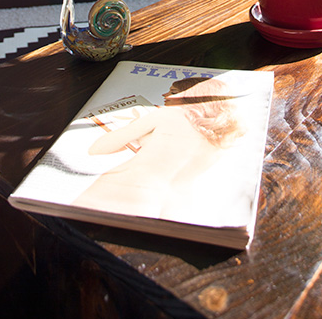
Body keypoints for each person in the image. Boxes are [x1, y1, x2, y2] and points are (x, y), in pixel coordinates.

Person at [74, 77, 246, 219]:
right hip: (175, 204)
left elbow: (98, 148)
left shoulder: (167, 114)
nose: (164, 95)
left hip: (129, 186)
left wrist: (134, 130)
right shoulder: (223, 139)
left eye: (172, 92)